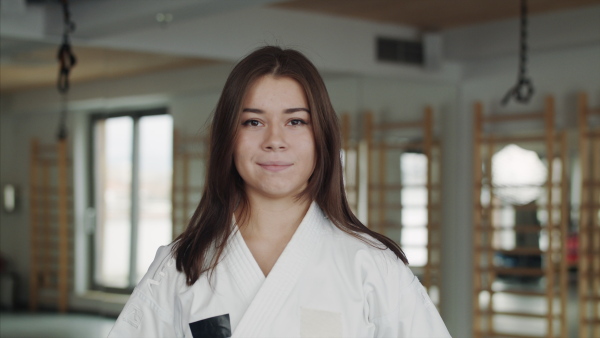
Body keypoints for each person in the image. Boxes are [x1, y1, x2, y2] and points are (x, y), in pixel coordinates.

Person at [108, 46, 451, 338]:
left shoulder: (373, 267)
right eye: (253, 122)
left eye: (296, 121)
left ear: (322, 137)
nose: (275, 140)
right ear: (229, 137)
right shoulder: (179, 267)